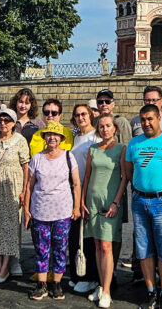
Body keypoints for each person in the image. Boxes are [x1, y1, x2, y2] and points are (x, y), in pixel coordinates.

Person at [124, 103, 162, 309]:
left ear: (159, 118)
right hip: (140, 201)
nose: (146, 123)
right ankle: (151, 291)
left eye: (150, 119)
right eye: (143, 120)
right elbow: (130, 171)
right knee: (143, 249)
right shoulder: (134, 143)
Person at [24, 121, 82, 301]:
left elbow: (76, 183)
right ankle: (41, 284)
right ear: (44, 137)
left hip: (62, 211)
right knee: (42, 249)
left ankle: (56, 283)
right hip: (40, 210)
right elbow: (29, 186)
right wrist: (26, 209)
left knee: (60, 248)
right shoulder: (37, 158)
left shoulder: (68, 156)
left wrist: (76, 207)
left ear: (61, 138)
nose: (52, 138)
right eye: (49, 134)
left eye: (56, 135)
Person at [82, 113, 127, 309]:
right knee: (97, 245)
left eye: (108, 126)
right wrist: (82, 201)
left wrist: (116, 202)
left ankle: (107, 290)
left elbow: (125, 178)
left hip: (110, 203)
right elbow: (87, 176)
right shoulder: (93, 149)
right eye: (101, 126)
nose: (105, 129)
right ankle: (101, 285)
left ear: (115, 128)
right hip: (92, 201)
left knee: (107, 246)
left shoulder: (121, 149)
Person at [0, 106, 30, 284]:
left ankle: (5, 268)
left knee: (9, 228)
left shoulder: (20, 140)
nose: (3, 123)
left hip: (12, 187)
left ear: (13, 123)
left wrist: (24, 190)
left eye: (7, 120)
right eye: (0, 120)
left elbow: (26, 166)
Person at [70, 103, 100, 294]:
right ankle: (77, 274)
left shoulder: (96, 136)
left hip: (90, 189)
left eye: (84, 114)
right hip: (74, 189)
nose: (81, 118)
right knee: (75, 234)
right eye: (77, 115)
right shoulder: (74, 137)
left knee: (88, 235)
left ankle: (90, 277)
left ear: (90, 116)